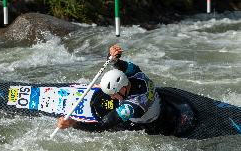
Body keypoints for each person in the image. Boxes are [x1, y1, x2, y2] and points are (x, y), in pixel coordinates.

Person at [57, 45, 195, 136]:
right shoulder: (135, 73)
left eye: (113, 94)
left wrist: (74, 124)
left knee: (111, 129)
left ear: (123, 88)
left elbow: (102, 126)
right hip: (156, 103)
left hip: (151, 124)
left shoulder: (132, 106)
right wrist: (112, 56)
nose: (112, 98)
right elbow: (118, 64)